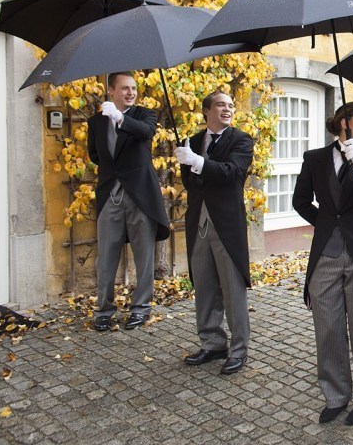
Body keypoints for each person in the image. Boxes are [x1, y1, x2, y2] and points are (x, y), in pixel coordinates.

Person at [292, 102, 353, 426]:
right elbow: (300, 200)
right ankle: (336, 396)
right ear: (345, 122)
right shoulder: (315, 159)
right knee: (328, 329)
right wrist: (325, 222)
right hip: (327, 255)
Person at [174, 91, 254, 375]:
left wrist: (197, 163)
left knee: (233, 290)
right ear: (206, 110)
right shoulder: (193, 142)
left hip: (227, 224)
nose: (228, 109)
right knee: (205, 286)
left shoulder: (241, 140)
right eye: (221, 104)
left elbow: (233, 173)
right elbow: (190, 183)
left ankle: (239, 349)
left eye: (231, 105)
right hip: (199, 221)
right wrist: (188, 161)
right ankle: (212, 343)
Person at [87, 71, 170, 332]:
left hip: (140, 195)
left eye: (133, 88)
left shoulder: (144, 115)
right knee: (107, 256)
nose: (130, 93)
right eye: (124, 89)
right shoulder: (95, 122)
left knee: (143, 255)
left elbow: (146, 133)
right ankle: (104, 309)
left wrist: (120, 117)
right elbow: (95, 155)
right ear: (111, 91)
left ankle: (140, 308)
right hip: (110, 193)